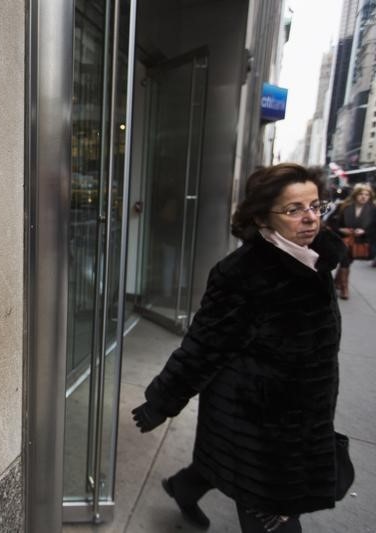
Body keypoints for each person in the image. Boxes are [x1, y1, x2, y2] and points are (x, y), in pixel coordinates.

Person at [131, 163, 347, 532]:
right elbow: (203, 347)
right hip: (257, 418)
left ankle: (183, 488)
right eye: (294, 209)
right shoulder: (242, 273)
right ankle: (190, 488)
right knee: (268, 504)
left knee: (219, 462)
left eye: (315, 206)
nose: (310, 219)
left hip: (302, 409)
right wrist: (161, 402)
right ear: (263, 218)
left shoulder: (315, 258)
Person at [328, 182, 376, 298]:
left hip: (360, 242)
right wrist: (341, 230)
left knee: (348, 261)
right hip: (344, 240)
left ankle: (337, 280)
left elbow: (374, 228)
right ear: (355, 195)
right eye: (361, 194)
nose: (364, 197)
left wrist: (364, 231)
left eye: (367, 194)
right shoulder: (343, 206)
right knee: (345, 261)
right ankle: (345, 288)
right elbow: (330, 223)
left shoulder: (373, 210)